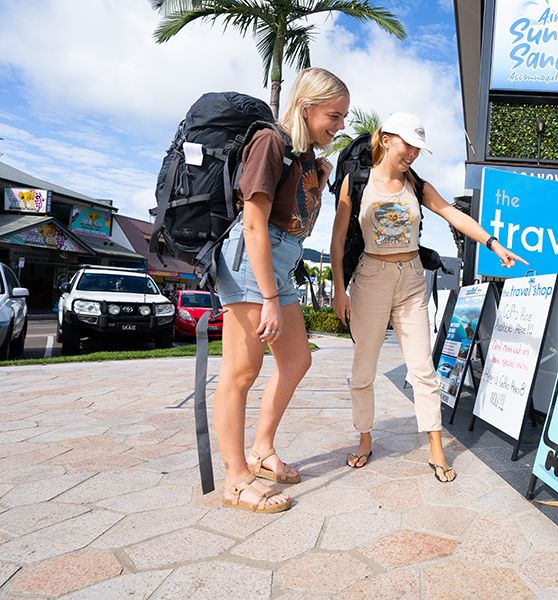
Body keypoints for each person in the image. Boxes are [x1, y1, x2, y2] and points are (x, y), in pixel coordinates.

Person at [330, 112, 526, 482]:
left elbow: (452, 214)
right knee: (363, 369)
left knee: (423, 368)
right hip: (370, 278)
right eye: (408, 145)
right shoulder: (356, 183)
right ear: (386, 139)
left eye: (418, 149)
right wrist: (339, 289)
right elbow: (338, 239)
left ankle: (435, 446)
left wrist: (493, 243)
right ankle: (365, 437)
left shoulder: (417, 185)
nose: (413, 155)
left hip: (411, 280)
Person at [213, 68, 349, 512]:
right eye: (334, 115)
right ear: (306, 108)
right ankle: (235, 479)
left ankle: (262, 450)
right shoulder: (270, 142)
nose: (341, 125)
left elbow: (296, 219)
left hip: (282, 261)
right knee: (241, 373)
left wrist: (317, 173)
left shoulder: (306, 157)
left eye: (344, 117)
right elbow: (253, 223)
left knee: (296, 359)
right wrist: (269, 298)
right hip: (253, 260)